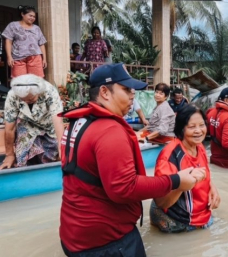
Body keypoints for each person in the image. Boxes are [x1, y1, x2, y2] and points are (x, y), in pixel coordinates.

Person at [59, 63, 206, 256]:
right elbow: (124, 188)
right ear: (104, 92)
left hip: (73, 232)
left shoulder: (77, 122)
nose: (133, 94)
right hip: (106, 241)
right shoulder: (109, 131)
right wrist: (177, 181)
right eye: (126, 89)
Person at [150, 105, 220, 233]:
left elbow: (205, 172)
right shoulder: (169, 156)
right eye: (192, 127)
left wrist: (213, 188)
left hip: (202, 214)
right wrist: (182, 185)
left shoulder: (200, 146)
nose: (199, 131)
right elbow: (161, 202)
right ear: (181, 129)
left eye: (201, 125)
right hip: (178, 220)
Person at [0, 74, 64, 169]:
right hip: (26, 125)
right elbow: (10, 127)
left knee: (53, 157)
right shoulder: (12, 95)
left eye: (30, 99)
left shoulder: (49, 91)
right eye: (23, 100)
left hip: (48, 125)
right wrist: (9, 155)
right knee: (23, 158)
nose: (26, 102)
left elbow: (57, 120)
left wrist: (62, 149)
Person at [2, 5, 47, 78]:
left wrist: (44, 59)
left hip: (35, 58)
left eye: (34, 16)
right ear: (22, 14)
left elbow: (41, 44)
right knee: (19, 81)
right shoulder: (13, 25)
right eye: (30, 15)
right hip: (18, 58)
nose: (32, 18)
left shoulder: (36, 28)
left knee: (36, 81)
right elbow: (8, 41)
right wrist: (9, 56)